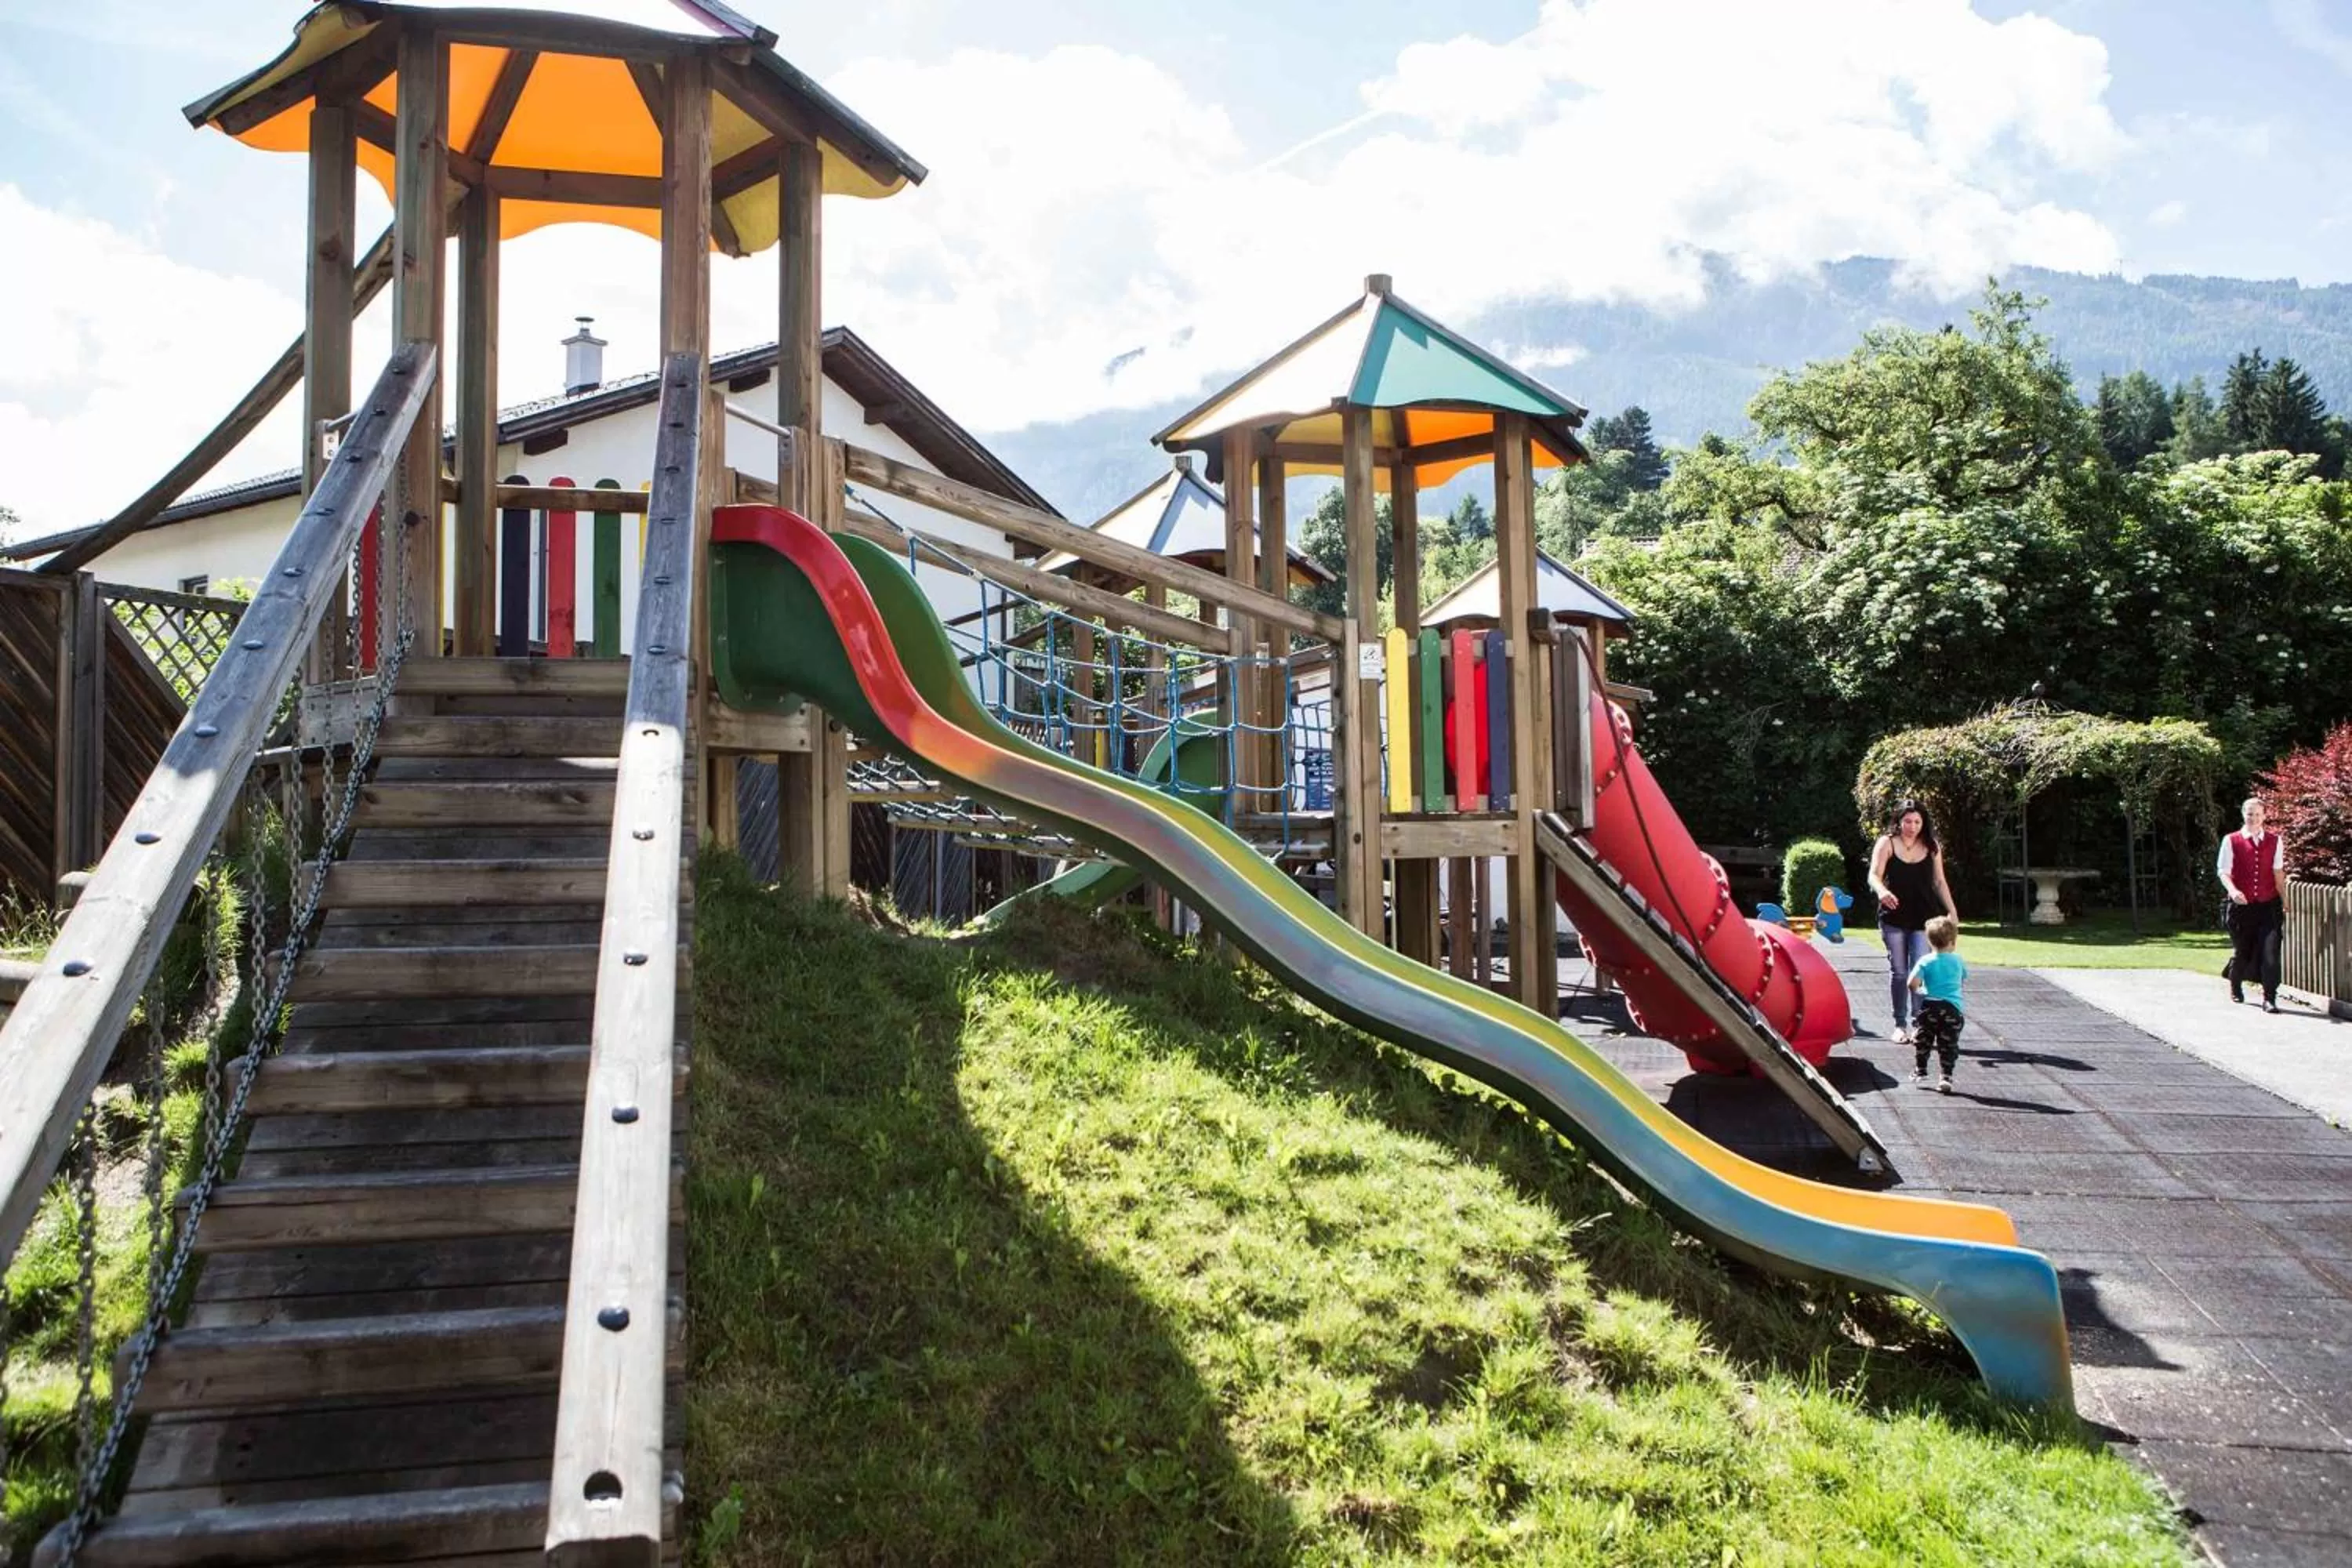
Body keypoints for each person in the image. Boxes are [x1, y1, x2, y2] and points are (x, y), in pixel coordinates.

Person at [1867, 800, 1956, 1044]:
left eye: (1918, 821)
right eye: (1908, 821)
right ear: (1899, 821)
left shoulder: (1932, 846)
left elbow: (1940, 882)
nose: (1913, 826)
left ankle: (1920, 1023)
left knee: (1920, 969)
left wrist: (1952, 911)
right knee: (1899, 971)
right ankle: (1899, 1024)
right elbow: (1874, 874)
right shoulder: (1887, 842)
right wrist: (1882, 892)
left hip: (1924, 917)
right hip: (1894, 915)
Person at [2218, 797, 2286, 1013]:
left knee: (2270, 952)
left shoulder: (2276, 841)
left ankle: (2270, 998)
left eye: (2258, 814)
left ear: (2264, 816)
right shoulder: (2232, 840)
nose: (2253, 818)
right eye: (2250, 814)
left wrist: (2285, 899)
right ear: (2243, 815)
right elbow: (2223, 872)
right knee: (2243, 953)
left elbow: (2278, 873)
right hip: (2241, 907)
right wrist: (2233, 890)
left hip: (2268, 905)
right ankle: (2235, 981)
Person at [1907, 914, 1967, 1093]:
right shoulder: (1957, 960)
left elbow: (1912, 984)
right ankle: (1946, 1076)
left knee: (1923, 1039)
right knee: (1948, 1043)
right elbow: (1962, 979)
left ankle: (1921, 1070)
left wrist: (1921, 991)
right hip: (1952, 1008)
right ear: (1952, 941)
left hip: (1930, 1007)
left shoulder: (1925, 961)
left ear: (1929, 941)